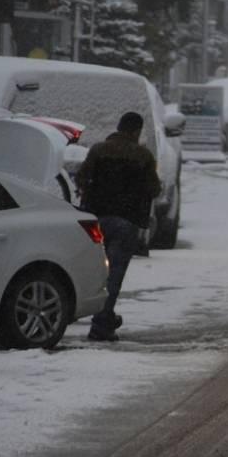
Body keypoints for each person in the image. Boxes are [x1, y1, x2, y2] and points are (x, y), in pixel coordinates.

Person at [76, 112, 161, 342]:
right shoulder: (143, 156)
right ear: (136, 131)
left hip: (96, 220)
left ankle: (102, 315)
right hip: (125, 222)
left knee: (95, 271)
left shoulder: (97, 150)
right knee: (114, 274)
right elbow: (154, 189)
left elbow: (82, 178)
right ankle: (102, 323)